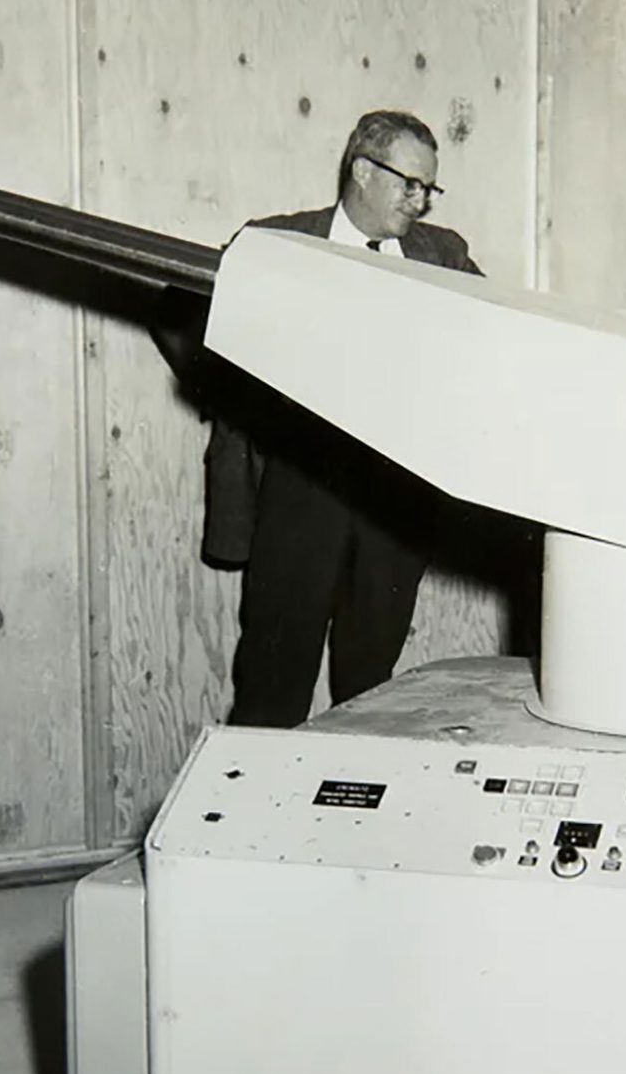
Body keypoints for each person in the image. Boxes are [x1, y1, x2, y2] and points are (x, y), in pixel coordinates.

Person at [205, 110, 483, 729]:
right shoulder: (275, 244)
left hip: (394, 507)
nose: (421, 202)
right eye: (409, 183)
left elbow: (492, 338)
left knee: (370, 694)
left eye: (428, 189)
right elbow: (196, 327)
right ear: (361, 170)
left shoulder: (444, 255)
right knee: (273, 688)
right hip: (303, 492)